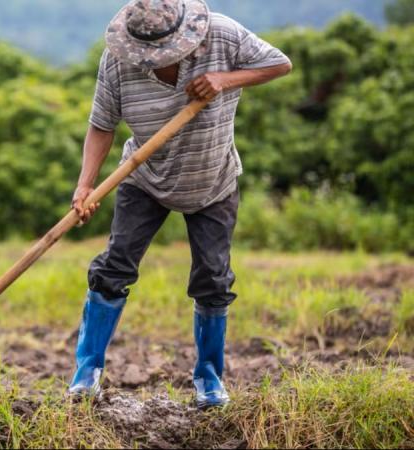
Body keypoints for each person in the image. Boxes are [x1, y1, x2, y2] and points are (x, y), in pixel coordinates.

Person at [68, 0, 292, 409]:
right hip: (144, 178)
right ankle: (86, 375)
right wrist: (85, 186)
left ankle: (209, 381)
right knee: (114, 268)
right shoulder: (118, 61)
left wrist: (225, 79)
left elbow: (280, 64)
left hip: (213, 179)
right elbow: (102, 124)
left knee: (213, 278)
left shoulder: (222, 34)